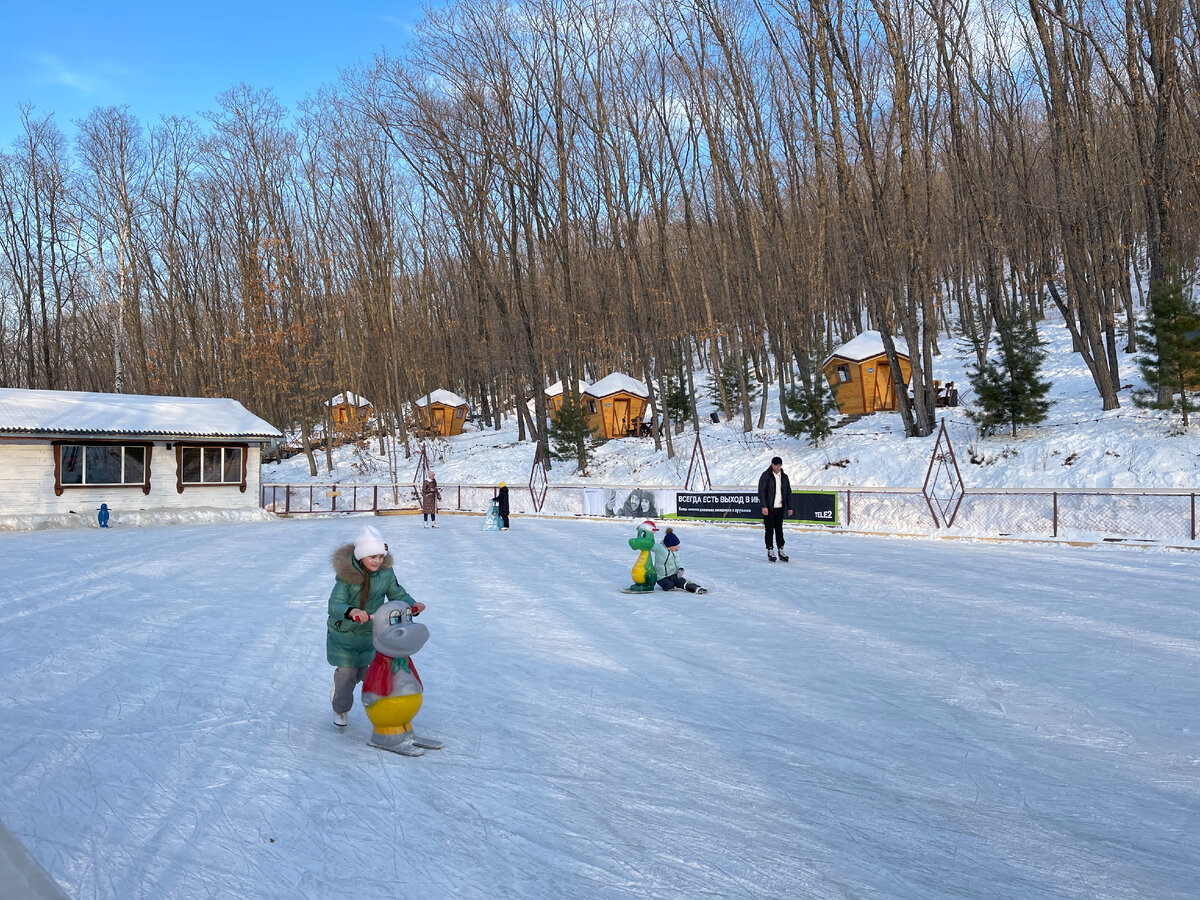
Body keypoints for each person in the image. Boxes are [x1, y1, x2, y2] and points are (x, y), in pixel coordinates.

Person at [327, 524, 425, 728]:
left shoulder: (386, 573)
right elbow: (335, 604)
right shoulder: (346, 577)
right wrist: (352, 611)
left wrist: (411, 605)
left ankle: (385, 710)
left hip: (371, 633)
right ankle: (341, 708)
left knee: (373, 673)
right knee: (347, 675)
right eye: (372, 557)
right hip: (345, 634)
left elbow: (397, 594)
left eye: (380, 556)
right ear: (361, 556)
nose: (377, 561)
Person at [757, 456, 792, 562]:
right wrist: (764, 506)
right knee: (769, 530)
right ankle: (770, 550)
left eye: (780, 465)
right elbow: (761, 492)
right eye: (776, 465)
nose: (778, 467)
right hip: (769, 508)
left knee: (779, 530)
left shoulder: (784, 477)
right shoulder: (766, 476)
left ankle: (781, 550)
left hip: (780, 508)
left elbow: (788, 493)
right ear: (772, 465)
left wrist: (789, 507)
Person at [652, 527, 707, 593]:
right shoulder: (660, 548)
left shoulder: (675, 552)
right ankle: (670, 583)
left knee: (681, 581)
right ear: (669, 546)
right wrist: (650, 534)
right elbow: (650, 545)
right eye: (676, 545)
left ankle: (696, 588)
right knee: (669, 586)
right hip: (661, 577)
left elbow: (678, 562)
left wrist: (681, 569)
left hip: (672, 574)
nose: (677, 547)